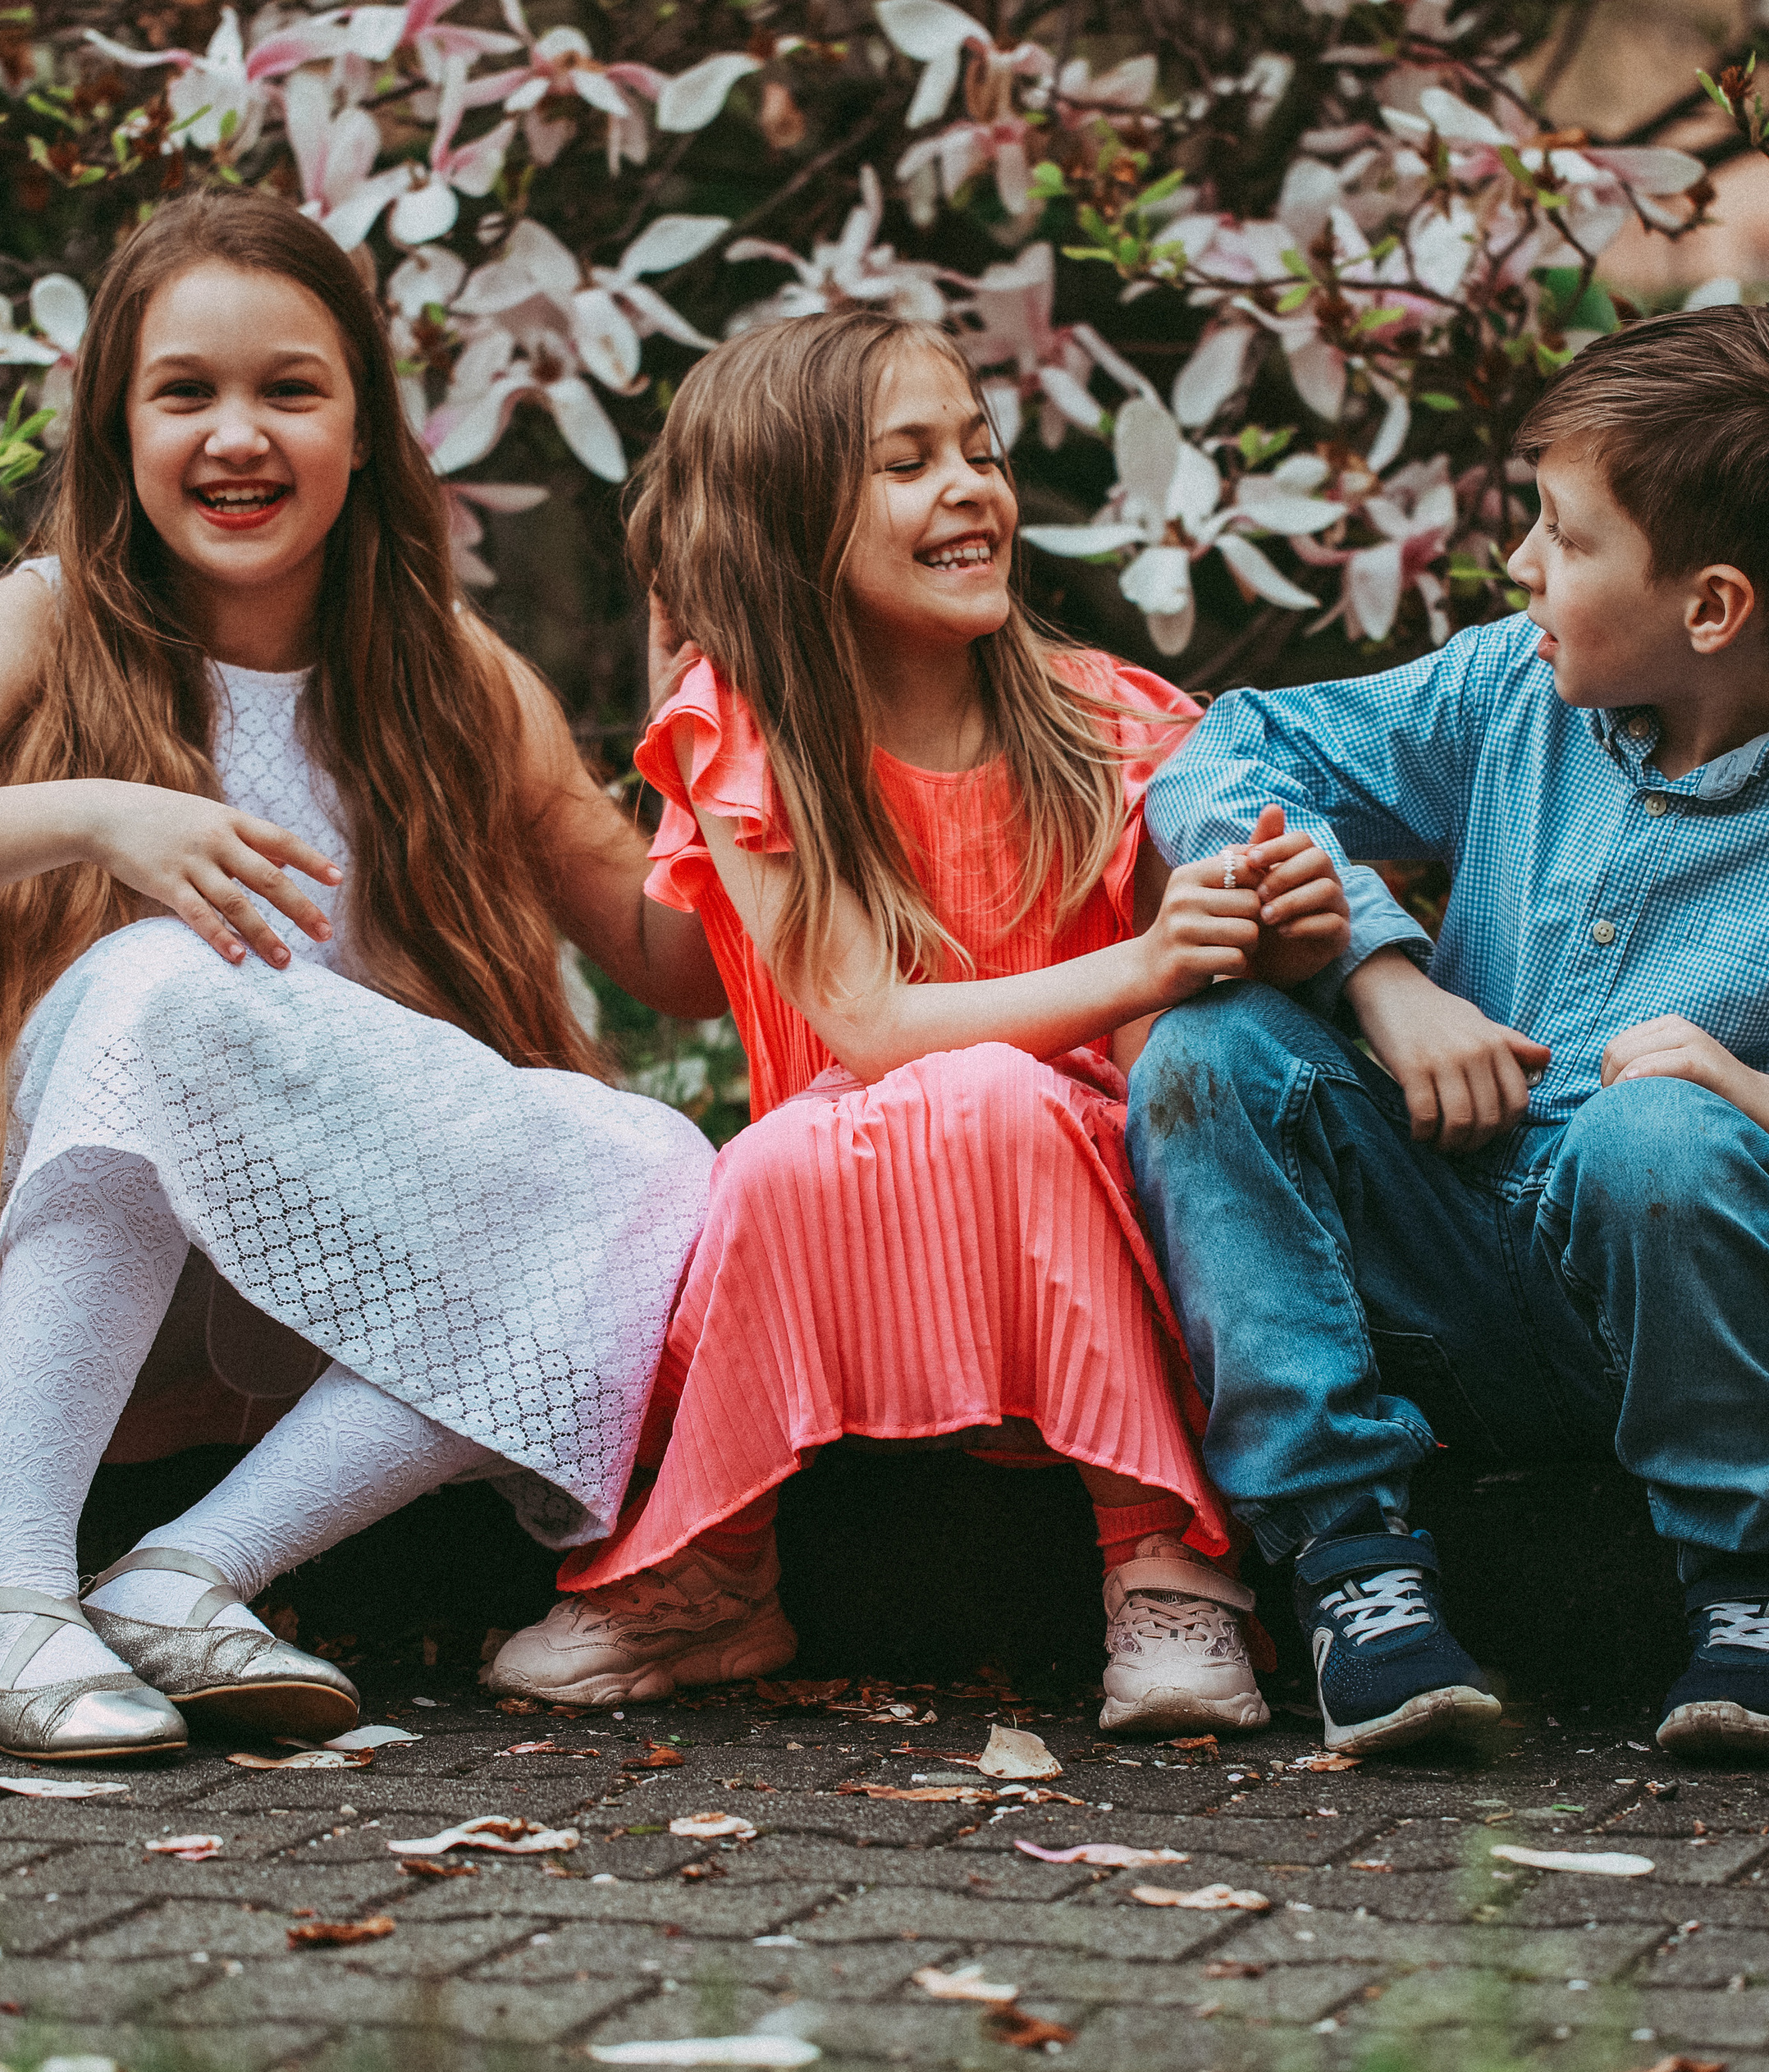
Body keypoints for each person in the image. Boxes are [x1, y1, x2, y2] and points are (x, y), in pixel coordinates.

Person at [1126, 305, 1769, 1762]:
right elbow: (1233, 750)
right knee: (1210, 1054)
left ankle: (1763, 1598)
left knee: (1659, 1127)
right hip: (1447, 1270)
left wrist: (1767, 1100)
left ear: (1711, 607)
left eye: (1566, 538)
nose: (1524, 567)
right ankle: (1354, 1567)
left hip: (1675, 1314)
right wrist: (1386, 977)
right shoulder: (1516, 688)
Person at [488, 310, 1356, 1733]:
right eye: (906, 463)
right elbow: (869, 1021)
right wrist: (1149, 963)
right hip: (848, 1232)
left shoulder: (1114, 726)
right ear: (782, 529)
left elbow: (1184, 1047)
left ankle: (1170, 1562)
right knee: (774, 1156)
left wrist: (1279, 926)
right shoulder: (745, 729)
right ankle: (717, 1570)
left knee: (1003, 1101)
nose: (971, 486)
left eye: (981, 450)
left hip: (1088, 1226)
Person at [0, 188, 726, 1762]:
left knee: (655, 1158)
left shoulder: (453, 676)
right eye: (185, 392)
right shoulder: (54, 624)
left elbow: (673, 967)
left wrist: (714, 749)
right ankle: (14, 1594)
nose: (238, 435)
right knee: (160, 981)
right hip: (65, 1227)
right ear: (117, 427)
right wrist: (100, 814)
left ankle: (189, 1576)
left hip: (321, 1269)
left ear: (364, 428)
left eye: (291, 389)